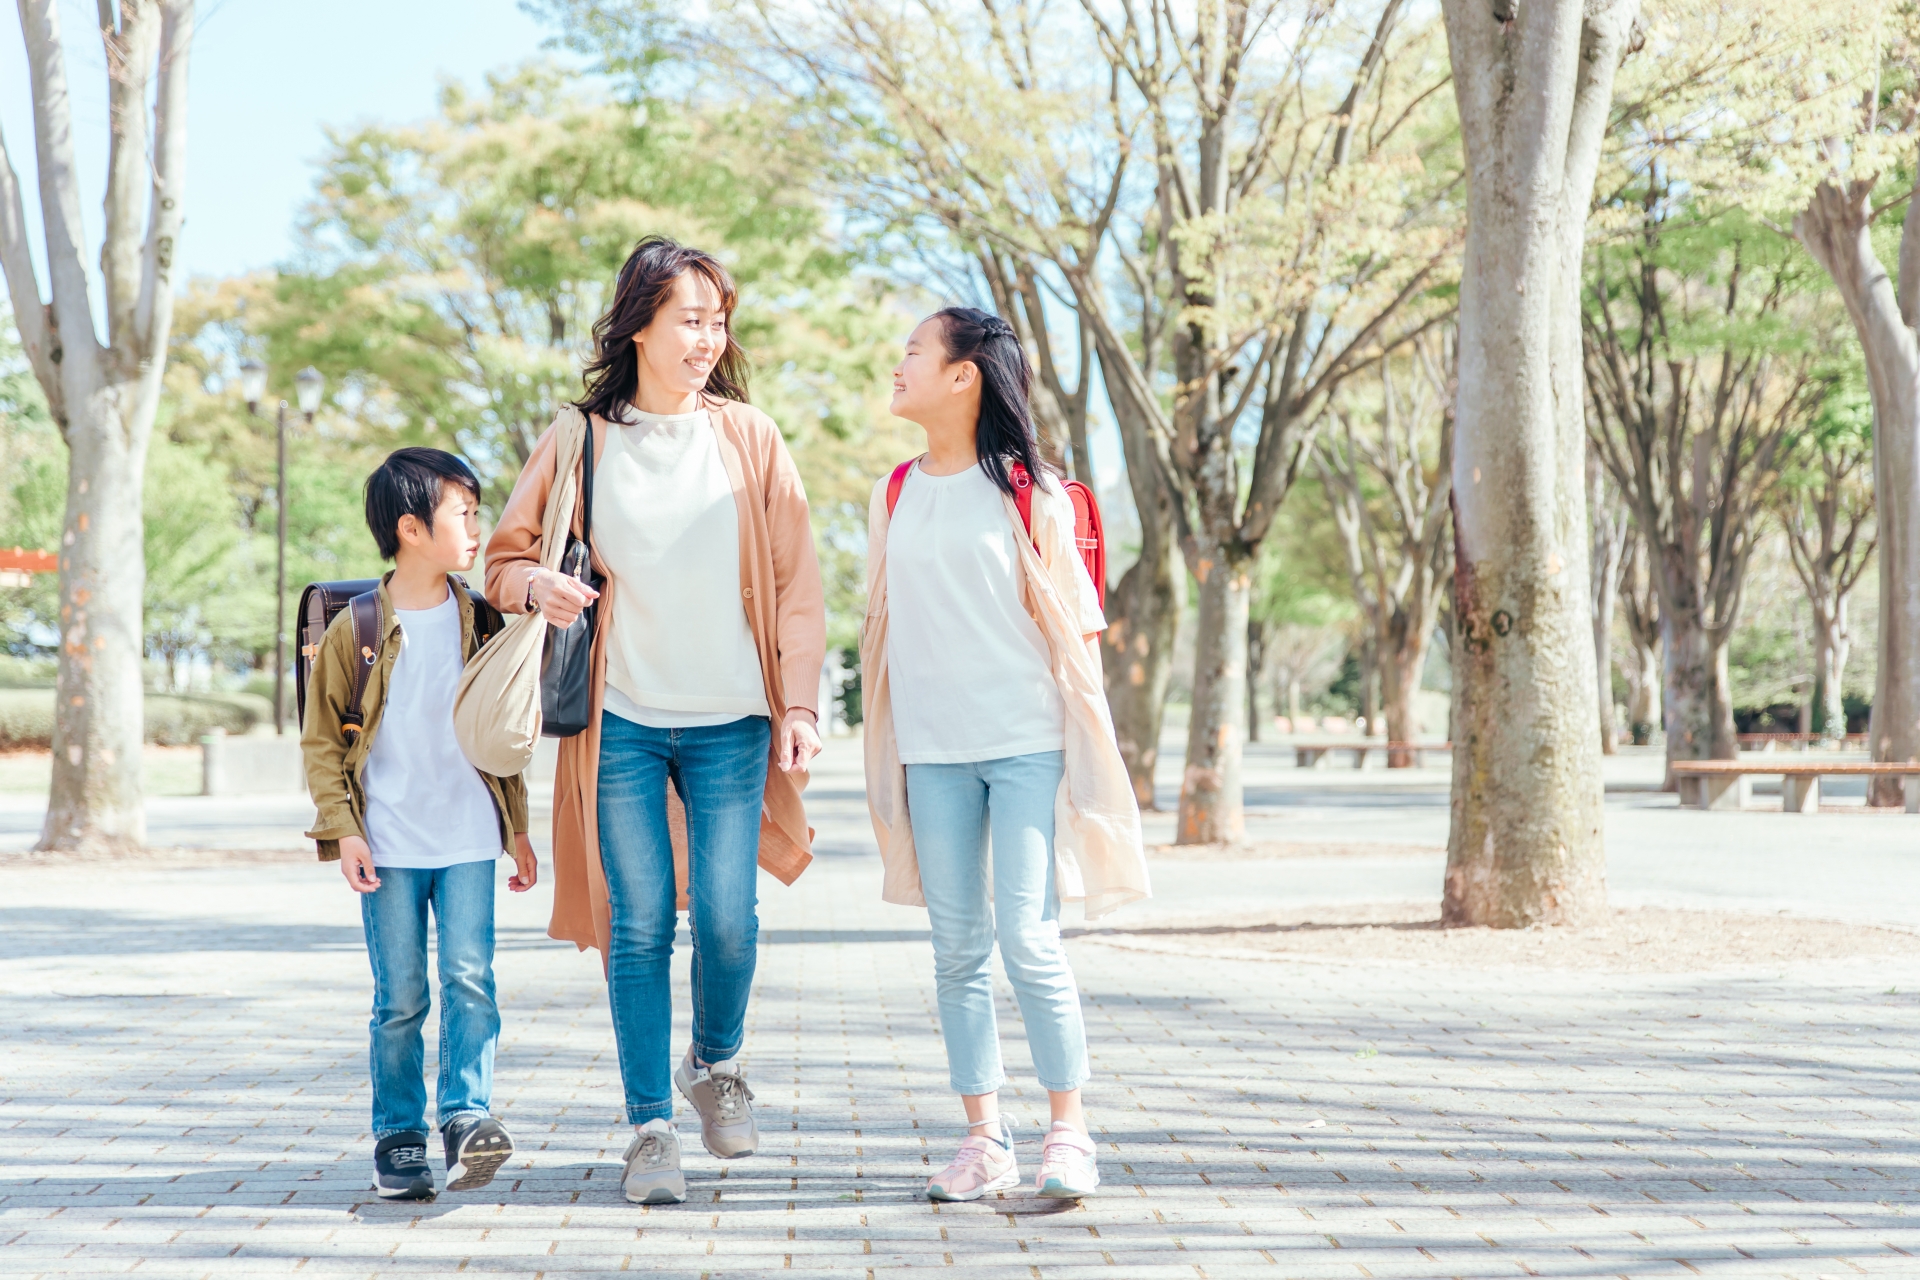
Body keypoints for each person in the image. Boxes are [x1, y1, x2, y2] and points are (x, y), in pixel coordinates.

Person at [485, 236, 827, 1206]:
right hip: (622, 720)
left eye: (719, 320)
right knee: (636, 924)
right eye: (690, 317)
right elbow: (502, 561)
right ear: (638, 320)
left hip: (733, 718)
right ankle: (648, 1127)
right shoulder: (579, 438)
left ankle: (714, 1062)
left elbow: (797, 584)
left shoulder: (751, 437)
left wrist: (798, 700)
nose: (708, 338)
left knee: (727, 917)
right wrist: (536, 582)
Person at [860, 307, 1150, 1202]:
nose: (898, 364)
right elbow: (878, 624)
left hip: (1025, 741)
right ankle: (985, 1140)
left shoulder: (1036, 495)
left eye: (915, 351)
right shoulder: (892, 494)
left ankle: (1071, 1132)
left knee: (1028, 936)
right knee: (956, 948)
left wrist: (1089, 756)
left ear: (964, 376)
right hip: (934, 749)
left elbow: (1078, 633)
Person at [302, 447, 539, 1202]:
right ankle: (399, 1134)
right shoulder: (358, 628)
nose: (476, 526)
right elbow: (320, 743)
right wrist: (344, 831)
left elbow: (501, 729)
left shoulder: (483, 618)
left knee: (471, 982)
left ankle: (466, 1117)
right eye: (461, 514)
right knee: (400, 996)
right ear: (411, 527)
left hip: (469, 836)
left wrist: (518, 828)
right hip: (393, 843)